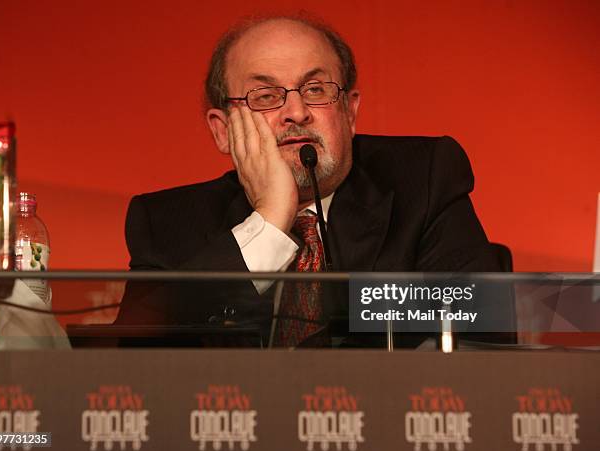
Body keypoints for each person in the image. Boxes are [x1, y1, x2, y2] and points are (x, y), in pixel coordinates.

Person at [114, 16, 507, 347]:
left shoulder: (422, 180)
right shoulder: (166, 224)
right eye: (266, 96)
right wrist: (269, 222)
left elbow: (480, 332)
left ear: (350, 113)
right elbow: (132, 367)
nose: (297, 111)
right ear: (223, 131)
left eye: (316, 90)